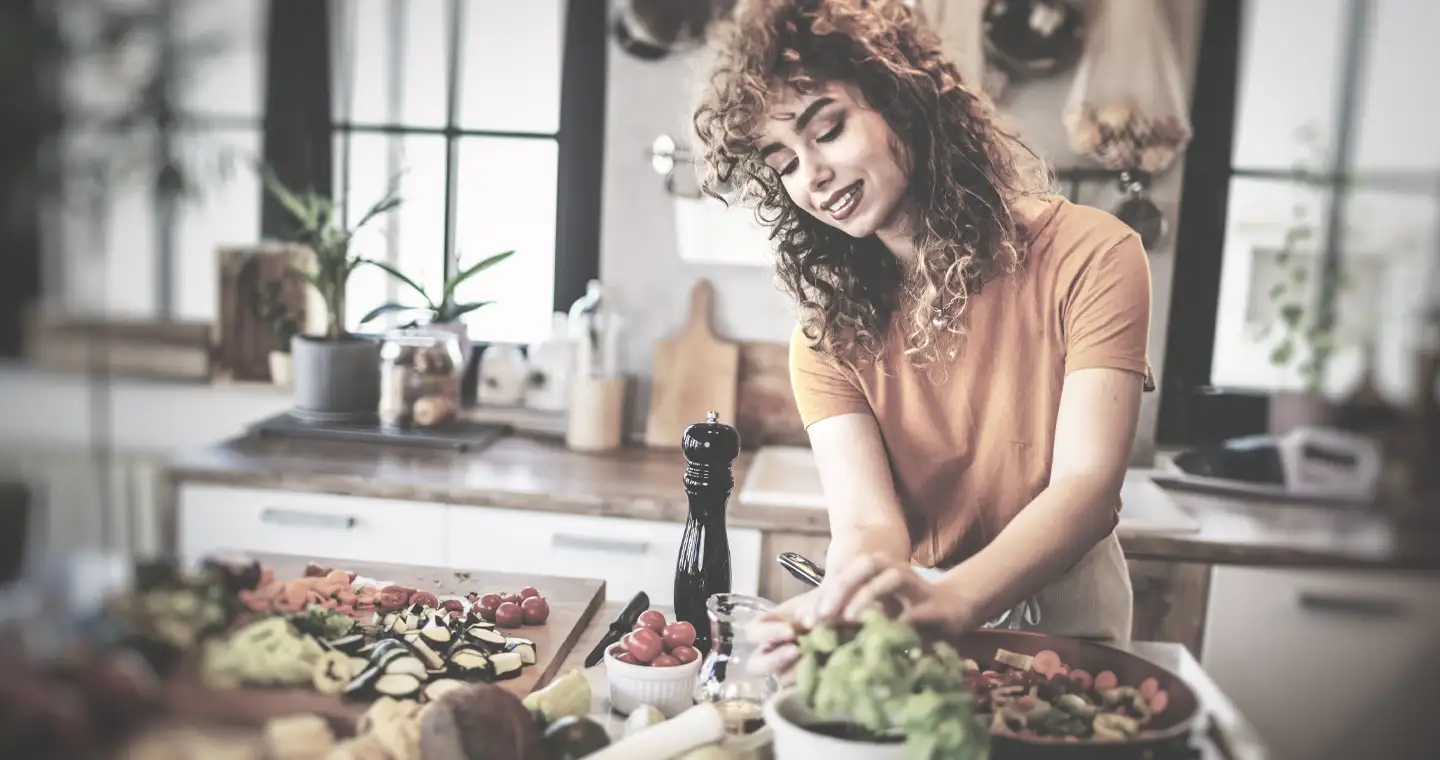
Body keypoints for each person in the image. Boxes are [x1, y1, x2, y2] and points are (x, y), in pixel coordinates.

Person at [691, 0, 1154, 676]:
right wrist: (843, 605)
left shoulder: (1093, 255)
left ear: (904, 100)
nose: (811, 177)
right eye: (783, 162)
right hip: (918, 613)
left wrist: (956, 599)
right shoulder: (825, 337)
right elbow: (869, 528)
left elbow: (1085, 487)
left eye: (828, 129)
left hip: (1072, 617)